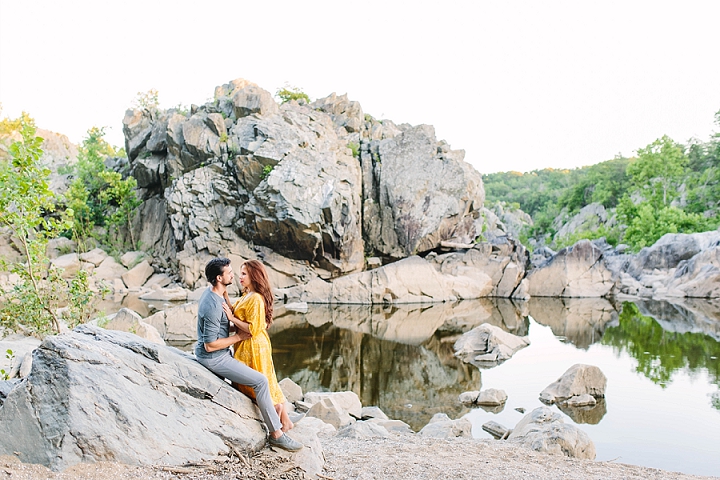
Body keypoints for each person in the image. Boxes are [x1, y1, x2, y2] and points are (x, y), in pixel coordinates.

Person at [195, 257, 302, 452]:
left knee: (263, 380)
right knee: (261, 381)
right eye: (230, 273)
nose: (234, 275)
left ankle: (279, 415)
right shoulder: (212, 304)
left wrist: (227, 301)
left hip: (223, 352)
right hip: (214, 356)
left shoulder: (216, 293)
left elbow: (246, 318)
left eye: (240, 273)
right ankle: (276, 434)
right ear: (219, 278)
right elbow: (210, 346)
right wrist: (238, 337)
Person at [222, 259, 296, 432]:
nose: (240, 277)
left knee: (259, 381)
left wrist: (232, 319)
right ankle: (285, 420)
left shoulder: (256, 298)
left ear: (254, 276)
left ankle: (279, 416)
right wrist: (225, 296)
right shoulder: (248, 294)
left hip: (254, 346)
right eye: (240, 273)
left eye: (244, 274)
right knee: (265, 380)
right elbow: (240, 315)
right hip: (246, 344)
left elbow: (253, 328)